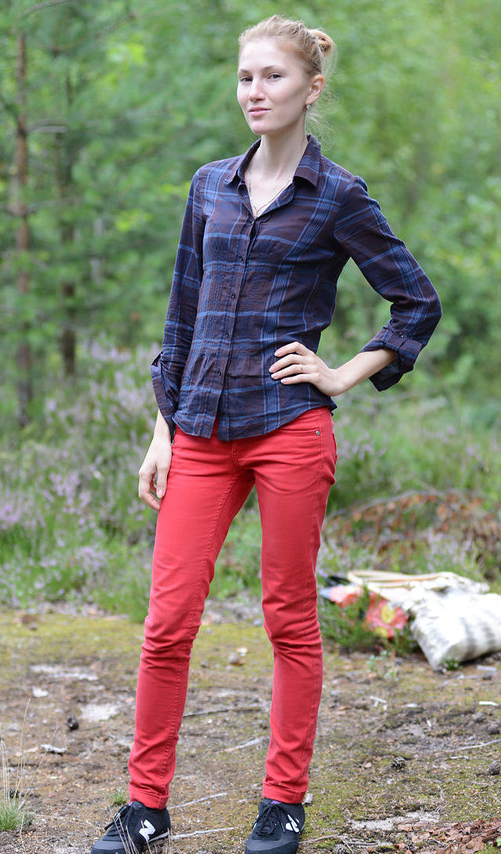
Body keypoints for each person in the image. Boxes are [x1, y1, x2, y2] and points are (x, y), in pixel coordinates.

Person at [91, 14, 441, 854]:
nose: (255, 91)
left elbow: (416, 301)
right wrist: (162, 429)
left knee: (288, 618)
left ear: (312, 88)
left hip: (289, 428)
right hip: (200, 431)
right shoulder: (209, 185)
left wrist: (340, 374)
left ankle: (283, 802)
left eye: (273, 77)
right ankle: (145, 809)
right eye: (246, 76)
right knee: (167, 623)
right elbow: (182, 316)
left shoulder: (339, 196)